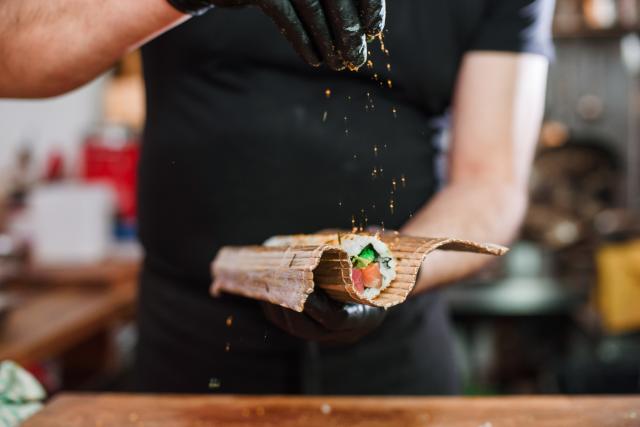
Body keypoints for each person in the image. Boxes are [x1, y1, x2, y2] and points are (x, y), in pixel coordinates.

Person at [0, 0, 554, 394]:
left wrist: (382, 278)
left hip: (394, 354)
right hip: (191, 345)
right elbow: (12, 52)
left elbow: (491, 182)